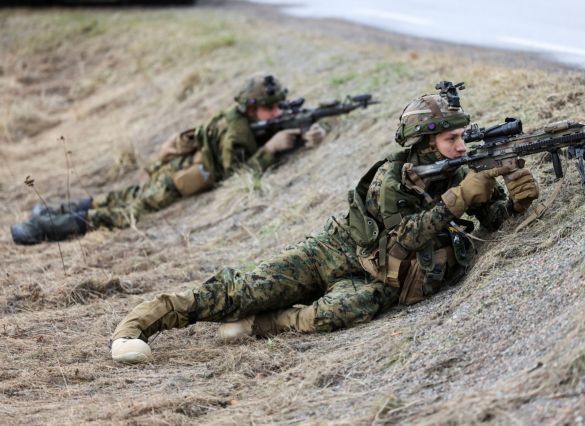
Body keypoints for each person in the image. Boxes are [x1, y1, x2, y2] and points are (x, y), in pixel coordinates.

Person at [109, 83, 540, 364]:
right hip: (333, 250)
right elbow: (404, 237)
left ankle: (262, 324)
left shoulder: (463, 171)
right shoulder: (389, 179)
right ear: (423, 144)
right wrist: (461, 196)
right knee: (246, 290)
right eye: (451, 139)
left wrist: (515, 202)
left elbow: (491, 220)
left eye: (462, 137)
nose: (462, 146)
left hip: (380, 274)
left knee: (338, 313)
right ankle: (141, 323)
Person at [10, 73, 327, 245]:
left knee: (123, 195)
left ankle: (51, 211)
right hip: (181, 180)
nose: (277, 111)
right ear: (252, 106)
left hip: (178, 167)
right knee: (125, 212)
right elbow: (236, 175)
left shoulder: (236, 116)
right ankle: (42, 227)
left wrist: (298, 136)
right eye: (270, 107)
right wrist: (271, 150)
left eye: (279, 106)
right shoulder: (237, 133)